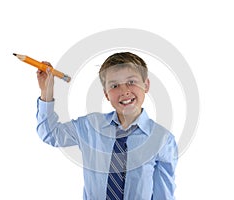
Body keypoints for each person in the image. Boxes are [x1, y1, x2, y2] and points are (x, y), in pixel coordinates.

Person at [36, 52, 178, 200]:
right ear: (106, 94)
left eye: (131, 82)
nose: (124, 91)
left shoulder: (162, 140)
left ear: (146, 85)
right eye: (114, 85)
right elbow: (50, 134)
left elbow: (164, 195)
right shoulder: (90, 126)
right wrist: (47, 90)